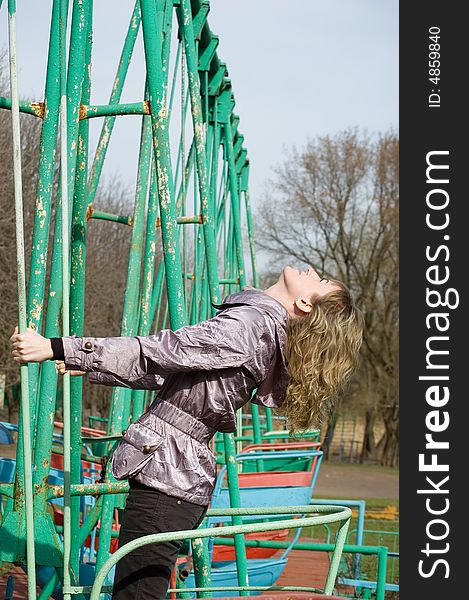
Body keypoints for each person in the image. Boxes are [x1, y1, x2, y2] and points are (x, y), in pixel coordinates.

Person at [10, 265, 364, 599]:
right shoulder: (263, 331)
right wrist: (84, 360)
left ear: (305, 303)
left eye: (320, 279)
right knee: (139, 590)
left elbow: (164, 349)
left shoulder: (251, 324)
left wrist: (57, 346)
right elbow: (171, 371)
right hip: (178, 478)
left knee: (136, 594)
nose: (310, 271)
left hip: (167, 477)